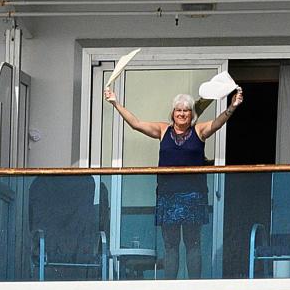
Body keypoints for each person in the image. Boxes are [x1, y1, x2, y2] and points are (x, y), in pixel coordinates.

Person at [103, 85, 243, 279]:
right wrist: (115, 103)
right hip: (168, 196)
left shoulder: (199, 131)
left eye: (186, 110)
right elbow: (136, 123)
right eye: (179, 110)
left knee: (193, 243)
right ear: (173, 112)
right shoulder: (163, 130)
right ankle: (170, 286)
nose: (182, 113)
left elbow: (218, 123)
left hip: (193, 195)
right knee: (170, 244)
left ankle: (195, 286)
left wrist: (233, 106)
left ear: (191, 114)